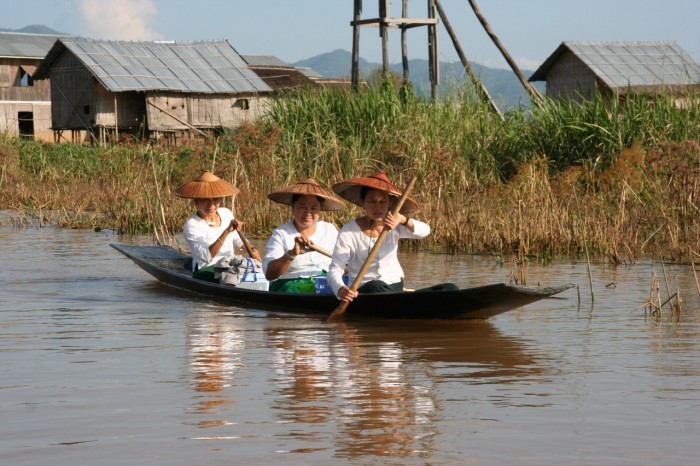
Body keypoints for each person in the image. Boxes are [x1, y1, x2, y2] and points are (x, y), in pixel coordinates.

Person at [328, 172, 457, 303]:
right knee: (375, 285)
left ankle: (409, 302)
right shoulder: (349, 230)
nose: (378, 207)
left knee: (449, 288)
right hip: (365, 290)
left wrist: (404, 220)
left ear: (390, 203)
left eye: (382, 201)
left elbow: (425, 231)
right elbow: (335, 268)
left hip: (394, 287)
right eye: (372, 201)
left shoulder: (395, 223)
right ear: (363, 203)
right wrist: (340, 289)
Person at [175, 171, 261, 282]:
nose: (211, 205)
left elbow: (237, 239)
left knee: (256, 270)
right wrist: (226, 231)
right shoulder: (192, 224)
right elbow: (207, 257)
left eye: (215, 199)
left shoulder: (226, 213)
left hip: (230, 263)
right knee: (229, 278)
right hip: (206, 268)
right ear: (196, 202)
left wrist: (251, 248)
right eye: (205, 200)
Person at [262, 178, 345, 293]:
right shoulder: (281, 233)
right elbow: (269, 274)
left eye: (314, 208)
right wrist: (291, 254)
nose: (308, 213)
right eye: (302, 207)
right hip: (291, 284)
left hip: (325, 283)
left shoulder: (329, 229)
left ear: (320, 209)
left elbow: (344, 264)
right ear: (293, 206)